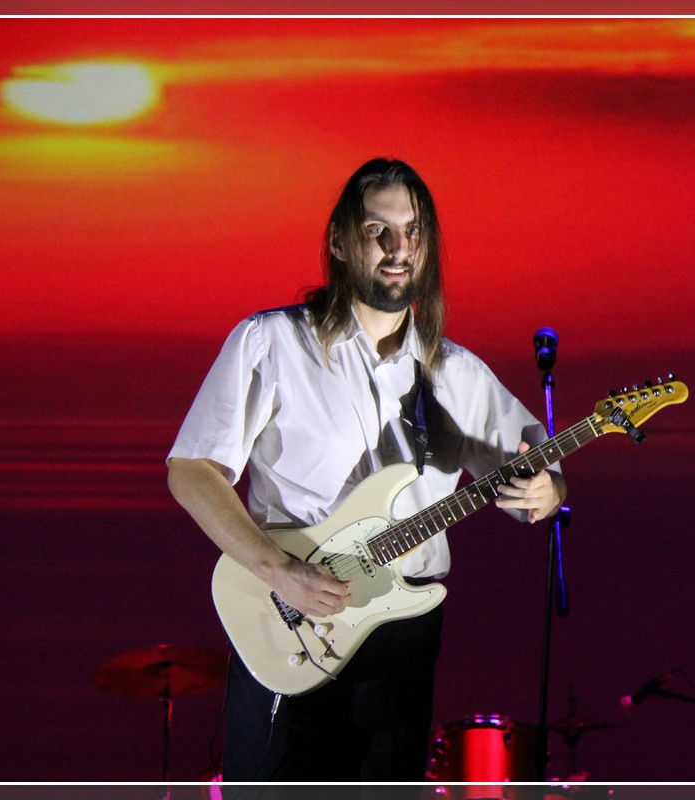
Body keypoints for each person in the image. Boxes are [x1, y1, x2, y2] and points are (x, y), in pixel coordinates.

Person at [166, 158, 567, 789]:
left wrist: (546, 489)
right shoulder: (271, 342)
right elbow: (191, 470)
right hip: (289, 614)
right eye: (378, 231)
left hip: (402, 635)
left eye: (412, 232)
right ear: (339, 242)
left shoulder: (456, 372)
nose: (398, 248)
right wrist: (279, 570)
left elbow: (534, 480)